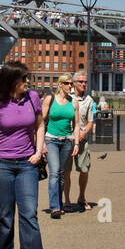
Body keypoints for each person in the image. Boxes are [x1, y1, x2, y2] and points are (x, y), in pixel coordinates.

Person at [0, 63, 48, 249]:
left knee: (29, 213)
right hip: (2, 164)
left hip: (27, 164)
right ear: (12, 80)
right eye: (24, 78)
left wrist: (39, 151)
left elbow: (40, 125)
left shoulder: (32, 98)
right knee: (5, 215)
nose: (27, 82)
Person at [42, 74, 78, 219]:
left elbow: (76, 125)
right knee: (55, 171)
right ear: (60, 84)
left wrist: (76, 143)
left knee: (62, 174)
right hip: (51, 140)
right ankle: (55, 207)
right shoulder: (49, 100)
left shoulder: (74, 102)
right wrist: (41, 143)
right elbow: (41, 121)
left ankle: (59, 203)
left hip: (67, 141)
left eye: (71, 84)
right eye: (68, 83)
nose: (71, 86)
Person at [68, 72, 97, 209]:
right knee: (66, 171)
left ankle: (81, 196)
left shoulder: (89, 100)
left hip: (82, 139)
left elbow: (91, 121)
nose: (83, 84)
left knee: (84, 169)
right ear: (73, 83)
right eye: (80, 82)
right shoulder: (67, 98)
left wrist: (84, 133)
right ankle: (66, 200)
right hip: (67, 138)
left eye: (85, 81)